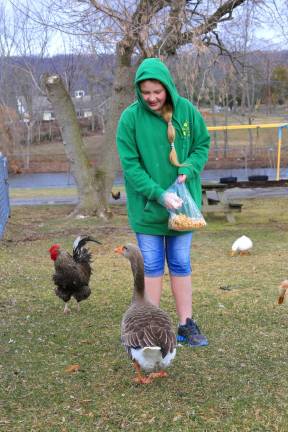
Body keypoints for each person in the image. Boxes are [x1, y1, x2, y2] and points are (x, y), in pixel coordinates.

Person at [116, 58, 210, 347]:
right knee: (152, 264)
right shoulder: (130, 119)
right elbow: (131, 167)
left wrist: (189, 168)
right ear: (138, 91)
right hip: (149, 210)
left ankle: (186, 325)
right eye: (146, 92)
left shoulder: (187, 112)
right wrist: (158, 194)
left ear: (167, 87)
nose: (152, 97)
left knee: (180, 262)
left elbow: (202, 145)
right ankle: (152, 328)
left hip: (182, 210)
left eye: (157, 91)